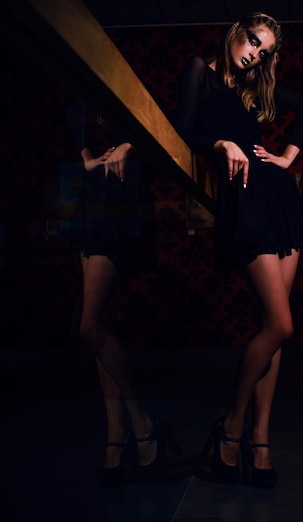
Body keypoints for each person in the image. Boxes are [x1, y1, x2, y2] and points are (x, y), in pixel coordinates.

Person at [175, 12, 303, 488]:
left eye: (265, 50)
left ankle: (260, 440)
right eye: (254, 41)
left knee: (273, 332)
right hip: (243, 202)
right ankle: (231, 427)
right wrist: (221, 143)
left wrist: (287, 157)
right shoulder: (201, 70)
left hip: (277, 196)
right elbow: (182, 131)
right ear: (236, 30)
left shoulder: (256, 85)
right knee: (281, 325)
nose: (256, 53)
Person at [66, 99, 176, 484]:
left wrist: (130, 146)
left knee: (91, 326)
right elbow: (69, 110)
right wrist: (85, 156)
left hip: (123, 206)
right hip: (94, 200)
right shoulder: (84, 94)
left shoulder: (133, 99)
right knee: (102, 325)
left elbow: (166, 135)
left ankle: (142, 423)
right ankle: (118, 435)